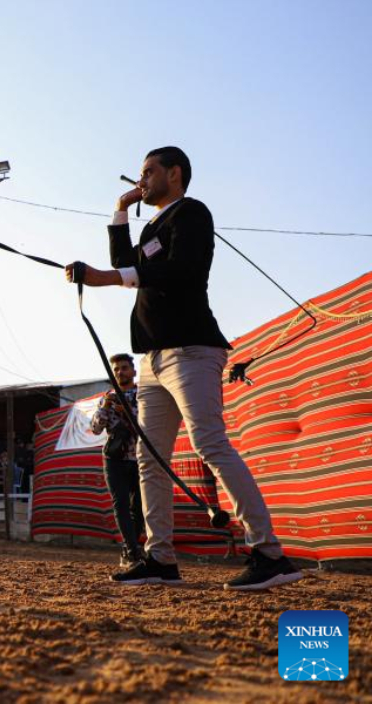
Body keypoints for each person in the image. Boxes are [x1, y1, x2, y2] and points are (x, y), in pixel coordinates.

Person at [66, 146, 301, 591]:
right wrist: (120, 212)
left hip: (191, 349)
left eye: (149, 171)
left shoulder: (191, 214)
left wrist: (109, 278)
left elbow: (180, 271)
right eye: (140, 173)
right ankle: (160, 558)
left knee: (210, 443)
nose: (142, 179)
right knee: (149, 457)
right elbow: (126, 266)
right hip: (153, 358)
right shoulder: (153, 224)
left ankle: (270, 554)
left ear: (174, 174)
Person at [90, 353, 144, 567]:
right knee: (120, 504)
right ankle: (131, 550)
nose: (120, 372)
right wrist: (105, 407)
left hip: (139, 457)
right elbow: (95, 429)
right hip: (114, 458)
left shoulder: (143, 395)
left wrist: (127, 411)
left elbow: (147, 426)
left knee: (138, 507)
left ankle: (131, 548)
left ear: (133, 371)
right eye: (116, 369)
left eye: (124, 368)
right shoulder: (107, 397)